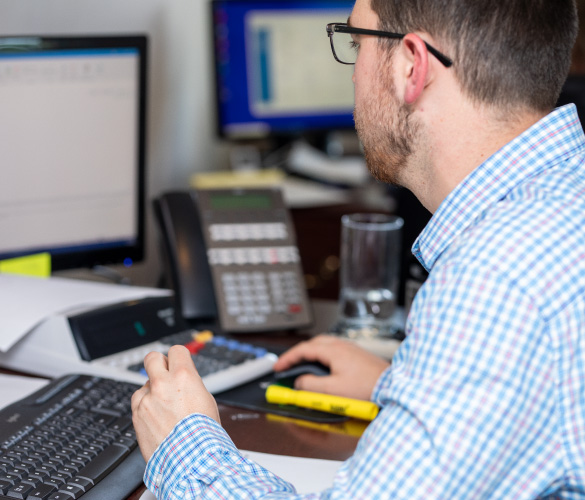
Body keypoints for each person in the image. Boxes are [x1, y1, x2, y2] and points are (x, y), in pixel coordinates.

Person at [131, 0, 585, 497]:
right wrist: (396, 381)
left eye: (356, 43)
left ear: (412, 65)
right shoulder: (560, 202)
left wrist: (183, 442)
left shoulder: (496, 279)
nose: (351, 75)